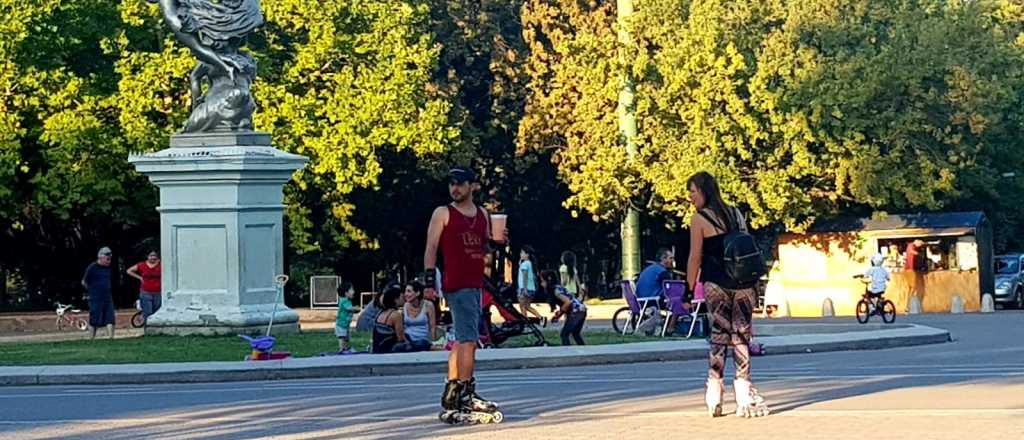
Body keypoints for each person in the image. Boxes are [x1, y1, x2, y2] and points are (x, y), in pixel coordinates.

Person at [424, 166, 504, 423]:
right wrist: (428, 282)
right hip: (457, 284)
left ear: (473, 186)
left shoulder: (482, 214)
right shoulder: (443, 213)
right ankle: (466, 392)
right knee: (469, 340)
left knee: (462, 340)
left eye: (460, 184)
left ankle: (452, 391)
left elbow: (483, 247)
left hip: (474, 283)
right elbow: (431, 247)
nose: (454, 189)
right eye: (451, 184)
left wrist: (498, 243)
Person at [686, 171, 769, 418]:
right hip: (744, 283)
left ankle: (715, 392)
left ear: (703, 191)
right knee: (742, 335)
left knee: (719, 336)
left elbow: (695, 257)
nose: (690, 197)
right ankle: (743, 392)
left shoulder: (699, 219)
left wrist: (690, 290)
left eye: (692, 192)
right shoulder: (736, 213)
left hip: (716, 284)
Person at [634, 248, 675, 332]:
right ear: (663, 259)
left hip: (641, 300)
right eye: (670, 258)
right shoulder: (662, 272)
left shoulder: (650, 269)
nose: (672, 261)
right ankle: (670, 328)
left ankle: (666, 326)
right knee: (676, 303)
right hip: (652, 301)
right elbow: (670, 288)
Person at [542, 271, 587, 346]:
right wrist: (559, 315)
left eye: (543, 281)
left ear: (548, 281)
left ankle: (567, 352)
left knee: (564, 334)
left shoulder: (556, 291)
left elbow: (568, 302)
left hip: (575, 312)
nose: (541, 284)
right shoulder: (558, 287)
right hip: (581, 309)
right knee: (575, 333)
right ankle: (584, 350)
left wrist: (559, 314)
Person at [82, 247, 115, 340]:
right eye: (107, 259)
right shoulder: (92, 267)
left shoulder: (108, 268)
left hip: (107, 296)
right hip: (95, 297)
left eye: (110, 259)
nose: (109, 261)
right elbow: (84, 281)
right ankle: (91, 338)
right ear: (100, 257)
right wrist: (92, 291)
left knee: (110, 316)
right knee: (94, 317)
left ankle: (111, 337)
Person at [371, 283, 410, 354]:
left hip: (377, 349)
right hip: (389, 350)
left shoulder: (380, 313)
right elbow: (400, 338)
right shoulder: (396, 315)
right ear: (395, 300)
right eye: (402, 297)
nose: (404, 298)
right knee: (421, 343)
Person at [126, 251, 162, 321]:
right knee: (147, 312)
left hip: (158, 292)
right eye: (151, 255)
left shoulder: (161, 265)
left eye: (154, 256)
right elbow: (129, 271)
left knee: (156, 312)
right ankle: (147, 329)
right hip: (145, 292)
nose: (153, 257)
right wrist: (140, 278)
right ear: (147, 257)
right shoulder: (142, 265)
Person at [403, 280, 436, 352]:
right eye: (405, 291)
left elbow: (433, 327)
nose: (405, 294)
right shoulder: (405, 305)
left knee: (421, 344)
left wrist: (433, 342)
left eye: (409, 291)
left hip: (423, 341)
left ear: (417, 293)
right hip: (409, 341)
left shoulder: (428, 305)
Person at [517, 246, 546, 326]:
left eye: (522, 253)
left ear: (527, 254)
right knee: (527, 306)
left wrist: (525, 289)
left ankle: (525, 321)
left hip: (524, 287)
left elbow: (525, 276)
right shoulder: (529, 263)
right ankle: (539, 318)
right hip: (531, 288)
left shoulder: (524, 264)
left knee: (522, 306)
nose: (521, 254)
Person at [336, 282, 361, 353]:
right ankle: (341, 349)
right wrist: (356, 308)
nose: (354, 292)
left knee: (347, 338)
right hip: (341, 325)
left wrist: (355, 310)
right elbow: (349, 308)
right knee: (342, 337)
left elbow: (349, 310)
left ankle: (345, 348)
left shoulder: (348, 301)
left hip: (345, 325)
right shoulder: (344, 301)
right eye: (352, 290)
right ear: (346, 293)